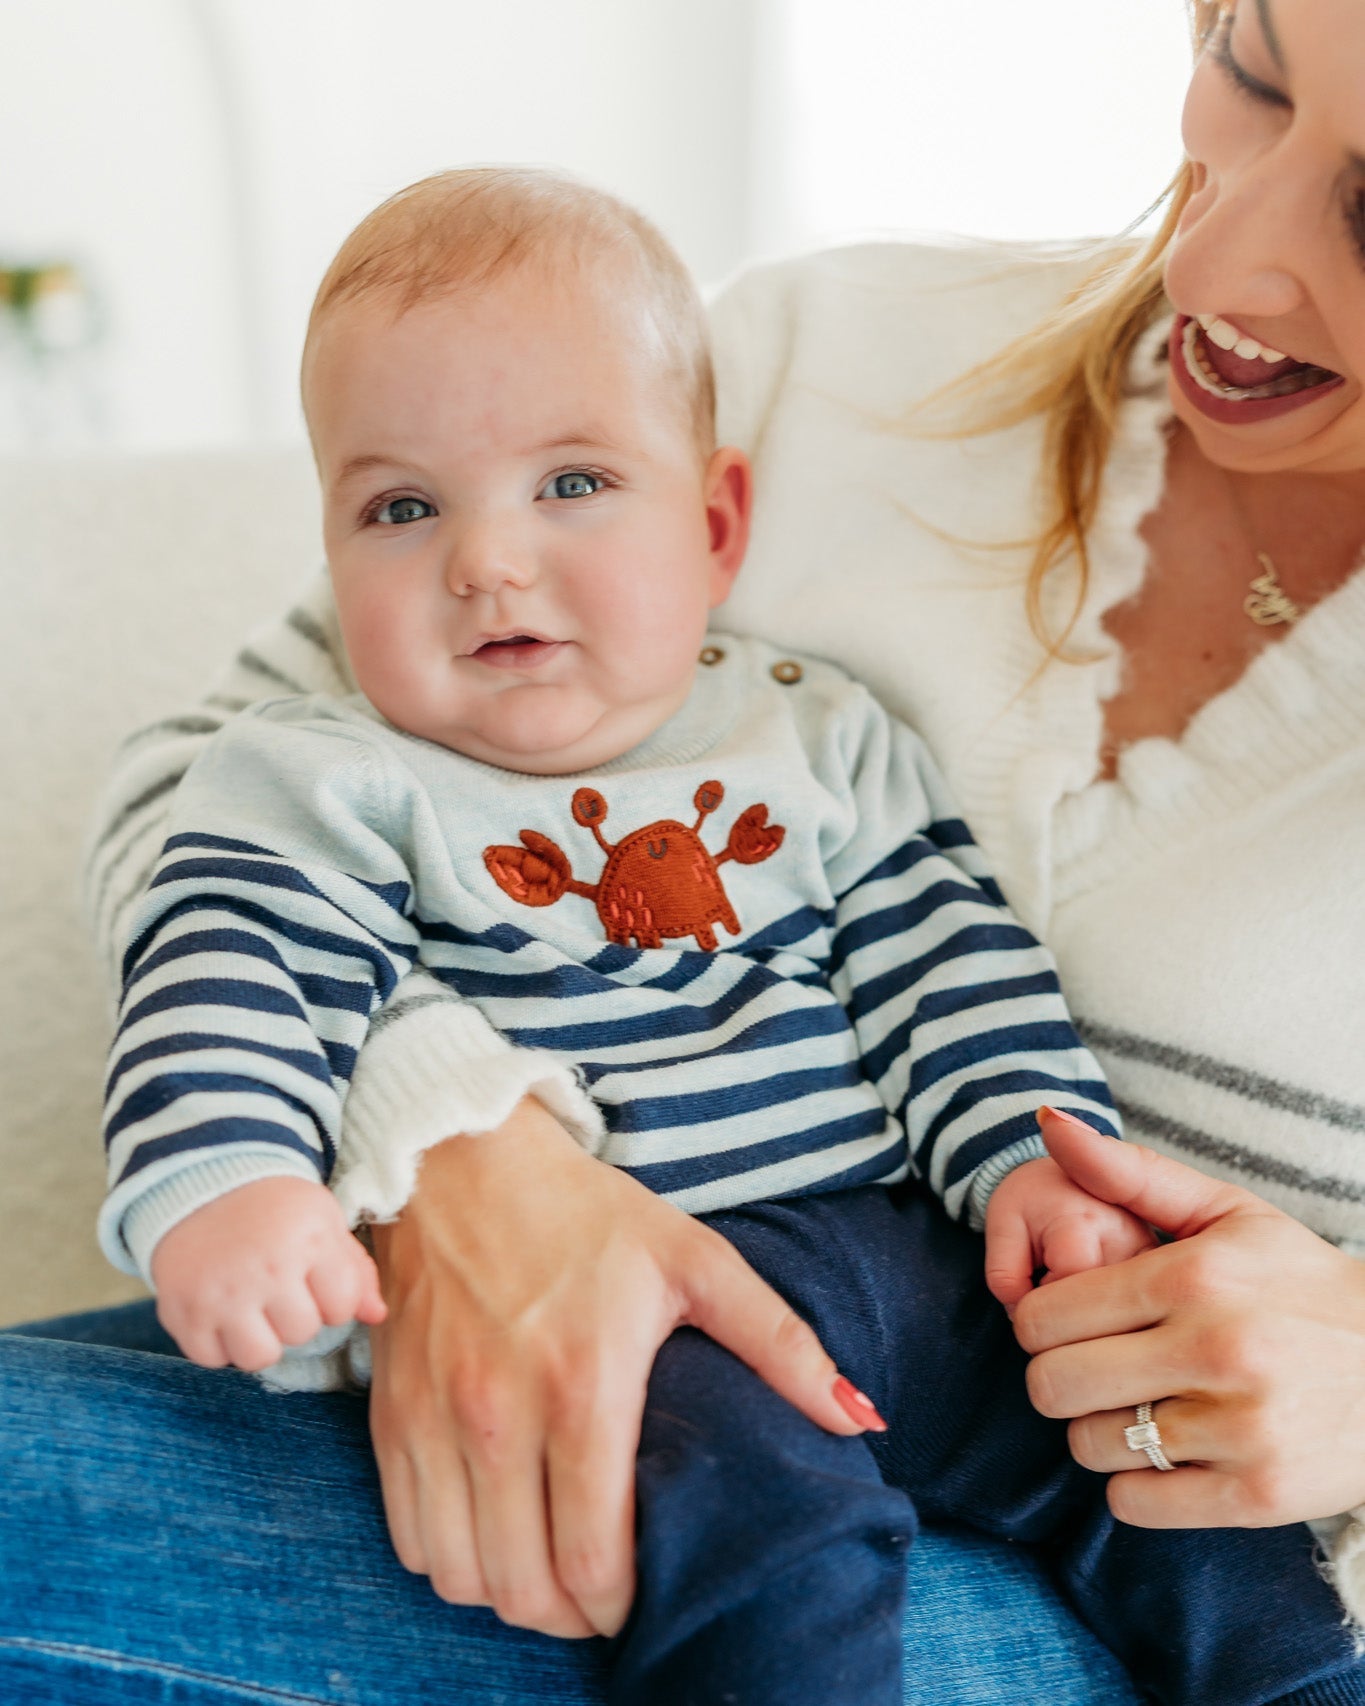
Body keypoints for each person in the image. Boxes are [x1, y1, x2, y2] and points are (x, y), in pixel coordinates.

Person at [8, 0, 1365, 1697]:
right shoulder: (345, 760)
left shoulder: (805, 731)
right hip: (662, 1348)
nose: (490, 564)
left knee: (1179, 1525)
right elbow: (213, 907)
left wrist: (1045, 1169)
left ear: (710, 525)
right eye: (1245, 73)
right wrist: (381, 1157)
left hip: (979, 1317)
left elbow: (944, 965)